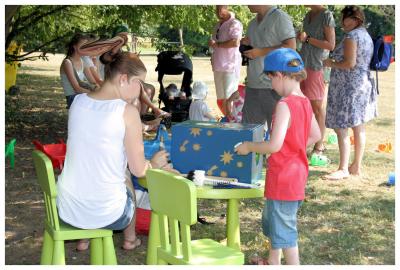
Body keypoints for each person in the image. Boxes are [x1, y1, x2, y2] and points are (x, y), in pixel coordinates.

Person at [56, 51, 173, 251]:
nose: (141, 90)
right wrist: (154, 164)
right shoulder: (127, 112)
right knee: (125, 175)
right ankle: (130, 238)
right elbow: (139, 170)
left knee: (93, 165)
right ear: (123, 79)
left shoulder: (78, 102)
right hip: (108, 212)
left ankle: (84, 237)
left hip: (67, 208)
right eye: (139, 83)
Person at [235, 48, 320, 265]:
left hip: (284, 177)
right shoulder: (305, 102)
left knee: (286, 232)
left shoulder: (284, 104)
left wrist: (249, 146)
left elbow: (273, 145)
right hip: (295, 175)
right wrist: (294, 146)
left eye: (270, 78)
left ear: (280, 75)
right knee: (276, 222)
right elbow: (316, 134)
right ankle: (273, 261)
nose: (271, 84)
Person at [323, 5, 377, 180]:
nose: (342, 24)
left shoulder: (352, 37)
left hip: (348, 87)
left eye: (345, 20)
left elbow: (349, 63)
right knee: (358, 125)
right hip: (361, 85)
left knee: (342, 127)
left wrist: (331, 63)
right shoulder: (365, 35)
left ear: (355, 20)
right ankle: (356, 166)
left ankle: (343, 168)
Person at [241, 5, 296, 128]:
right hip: (253, 85)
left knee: (278, 134)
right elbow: (257, 46)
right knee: (249, 133)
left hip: (274, 86)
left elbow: (291, 46)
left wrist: (261, 52)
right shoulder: (252, 23)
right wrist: (247, 44)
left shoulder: (280, 17)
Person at [297, 5, 336, 155]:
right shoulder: (308, 15)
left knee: (317, 107)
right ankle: (304, 142)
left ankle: (319, 146)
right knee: (303, 105)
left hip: (317, 65)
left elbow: (331, 45)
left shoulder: (326, 15)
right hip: (303, 65)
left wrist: (307, 39)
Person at [208, 5, 243, 118]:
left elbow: (235, 42)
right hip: (218, 65)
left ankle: (232, 123)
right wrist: (212, 49)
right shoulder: (217, 25)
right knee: (220, 98)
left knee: (229, 98)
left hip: (230, 66)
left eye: (220, 8)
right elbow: (215, 45)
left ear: (227, 7)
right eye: (216, 8)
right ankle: (228, 120)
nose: (218, 12)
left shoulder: (235, 23)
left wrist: (217, 45)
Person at [60, 33, 96, 109]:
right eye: (83, 45)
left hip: (81, 95)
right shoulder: (67, 62)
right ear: (75, 46)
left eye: (86, 46)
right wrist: (96, 93)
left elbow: (93, 81)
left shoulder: (83, 61)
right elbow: (77, 88)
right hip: (73, 98)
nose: (86, 48)